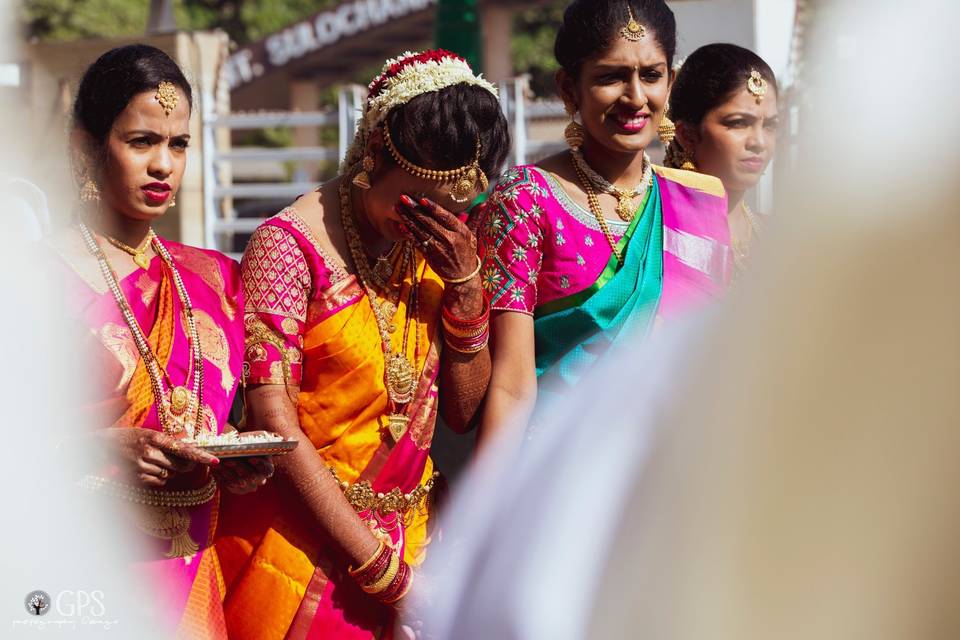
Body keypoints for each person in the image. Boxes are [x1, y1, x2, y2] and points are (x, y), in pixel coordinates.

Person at [215, 50, 509, 639]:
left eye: (454, 210)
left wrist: (467, 289)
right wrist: (388, 577)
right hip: (298, 550)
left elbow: (461, 410)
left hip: (420, 544)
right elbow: (276, 426)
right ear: (374, 151)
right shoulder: (289, 248)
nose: (433, 222)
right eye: (416, 202)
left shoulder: (441, 249)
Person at [46, 44, 272, 637]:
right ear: (85, 146)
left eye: (178, 144)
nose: (163, 166)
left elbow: (214, 417)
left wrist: (235, 459)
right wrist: (100, 447)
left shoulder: (215, 279)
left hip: (192, 584)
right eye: (141, 141)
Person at [477, 0, 732, 442]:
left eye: (651, 75)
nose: (635, 97)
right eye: (610, 77)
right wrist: (492, 506)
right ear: (569, 88)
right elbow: (513, 387)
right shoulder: (528, 198)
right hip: (560, 467)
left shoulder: (697, 202)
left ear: (670, 83)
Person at [660, 43, 779, 275]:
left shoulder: (776, 236)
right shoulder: (656, 236)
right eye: (738, 123)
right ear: (687, 135)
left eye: (770, 126)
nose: (759, 142)